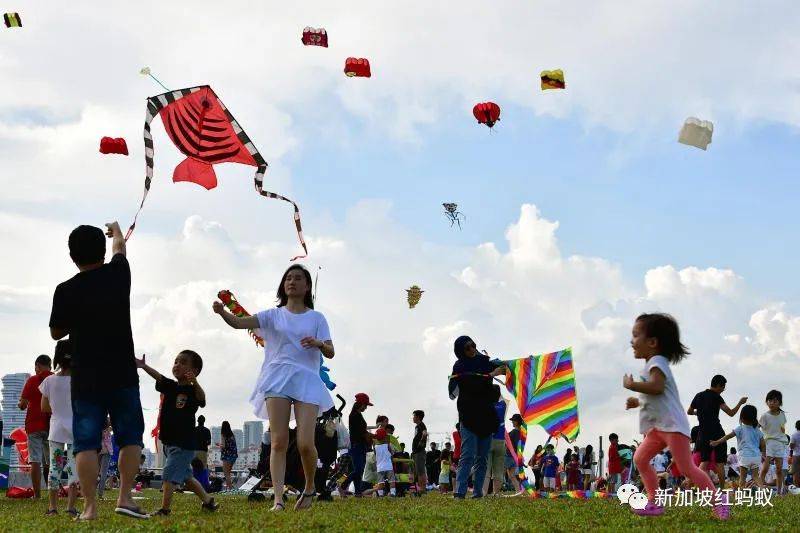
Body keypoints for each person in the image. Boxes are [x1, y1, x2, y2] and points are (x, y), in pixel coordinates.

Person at [213, 264, 334, 511]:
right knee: (278, 441)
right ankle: (278, 499)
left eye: (298, 278)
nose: (292, 282)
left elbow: (330, 351)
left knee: (305, 443)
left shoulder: (317, 318)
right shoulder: (272, 315)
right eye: (288, 278)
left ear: (307, 286)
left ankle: (310, 487)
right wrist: (222, 312)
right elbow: (239, 323)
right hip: (276, 378)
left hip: (307, 380)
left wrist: (319, 343)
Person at [49, 222, 146, 520]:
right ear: (102, 252)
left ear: (71, 256)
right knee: (130, 438)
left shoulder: (65, 290)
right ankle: (125, 497)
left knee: (86, 442)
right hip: (122, 371)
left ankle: (89, 507)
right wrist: (116, 230)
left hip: (86, 376)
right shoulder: (118, 274)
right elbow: (120, 247)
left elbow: (56, 332)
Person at [623, 313, 728, 519]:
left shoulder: (657, 362)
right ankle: (654, 502)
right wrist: (638, 401)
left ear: (652, 342)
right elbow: (655, 396)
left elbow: (657, 387)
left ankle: (718, 500)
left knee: (687, 467)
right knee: (640, 458)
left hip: (673, 427)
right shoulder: (651, 364)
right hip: (658, 428)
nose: (631, 341)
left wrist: (631, 385)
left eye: (636, 336)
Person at [136, 350, 218, 516]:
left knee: (168, 473)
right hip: (170, 442)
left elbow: (202, 399)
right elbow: (158, 377)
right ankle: (208, 501)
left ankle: (165, 509)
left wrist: (195, 382)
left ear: (194, 371)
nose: (177, 365)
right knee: (187, 476)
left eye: (182, 362)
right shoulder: (171, 387)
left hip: (183, 443)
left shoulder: (192, 391)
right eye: (175, 362)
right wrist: (144, 367)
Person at [447, 336, 505, 499]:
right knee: (467, 455)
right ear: (460, 351)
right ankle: (460, 492)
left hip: (486, 416)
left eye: (473, 345)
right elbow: (471, 385)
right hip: (469, 416)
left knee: (483, 458)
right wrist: (493, 374)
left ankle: (479, 492)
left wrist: (519, 364)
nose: (472, 349)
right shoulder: (460, 366)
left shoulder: (484, 361)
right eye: (467, 348)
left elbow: (505, 366)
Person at [687, 375, 747, 487]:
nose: (723, 390)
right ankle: (722, 489)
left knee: (704, 462)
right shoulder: (717, 397)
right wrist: (740, 402)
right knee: (720, 463)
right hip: (717, 433)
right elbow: (731, 413)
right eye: (723, 388)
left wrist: (699, 412)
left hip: (703, 433)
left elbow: (689, 411)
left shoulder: (698, 396)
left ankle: (690, 485)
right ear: (719, 385)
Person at [39, 341, 77, 516]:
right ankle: (71, 507)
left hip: (56, 430)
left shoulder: (48, 381)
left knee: (55, 467)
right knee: (73, 468)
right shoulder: (79, 380)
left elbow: (44, 408)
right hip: (76, 429)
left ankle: (53, 507)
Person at [18, 354, 52, 500]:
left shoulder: (32, 380)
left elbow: (23, 405)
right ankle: (54, 493)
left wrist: (21, 403)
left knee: (35, 460)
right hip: (52, 425)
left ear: (37, 366)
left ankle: (37, 495)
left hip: (34, 426)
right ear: (50, 365)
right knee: (52, 460)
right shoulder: (56, 379)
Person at [709, 404, 764, 490]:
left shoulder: (740, 428)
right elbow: (763, 444)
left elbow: (728, 436)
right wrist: (763, 453)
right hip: (756, 457)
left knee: (742, 478)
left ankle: (741, 496)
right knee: (756, 476)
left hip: (745, 456)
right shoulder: (757, 430)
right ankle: (763, 490)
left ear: (742, 417)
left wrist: (717, 442)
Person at [342, 393, 373, 498]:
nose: (366, 407)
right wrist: (373, 436)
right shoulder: (355, 415)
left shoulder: (357, 414)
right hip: (357, 445)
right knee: (357, 469)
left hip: (359, 445)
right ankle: (343, 485)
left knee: (358, 470)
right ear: (361, 404)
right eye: (365, 405)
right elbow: (361, 433)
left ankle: (358, 492)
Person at [758, 390, 787, 494]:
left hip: (779, 443)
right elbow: (757, 428)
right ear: (767, 402)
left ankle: (779, 492)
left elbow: (782, 428)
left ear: (780, 403)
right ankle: (760, 490)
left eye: (774, 401)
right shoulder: (764, 416)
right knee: (765, 468)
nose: (771, 403)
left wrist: (782, 434)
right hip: (768, 443)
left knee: (779, 470)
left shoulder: (782, 415)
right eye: (769, 401)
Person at [483, 390, 507, 496]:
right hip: (500, 440)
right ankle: (496, 493)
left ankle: (483, 492)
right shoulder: (503, 405)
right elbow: (501, 397)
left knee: (486, 469)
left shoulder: (486, 405)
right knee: (498, 469)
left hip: (488, 440)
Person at [505, 414, 524, 494]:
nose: (512, 422)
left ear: (516, 422)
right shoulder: (521, 432)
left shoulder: (515, 432)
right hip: (514, 457)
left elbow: (516, 444)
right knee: (511, 475)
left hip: (509, 456)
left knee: (499, 473)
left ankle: (496, 491)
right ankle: (518, 491)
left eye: (513, 420)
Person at [411, 410, 429, 494]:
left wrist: (421, 443)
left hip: (419, 452)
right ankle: (421, 488)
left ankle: (422, 489)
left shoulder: (421, 425)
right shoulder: (417, 426)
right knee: (418, 471)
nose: (413, 418)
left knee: (421, 471)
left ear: (418, 417)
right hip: (416, 452)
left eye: (414, 416)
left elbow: (425, 433)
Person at [219, 422, 238, 491]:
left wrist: (219, 445)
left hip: (227, 456)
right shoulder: (232, 434)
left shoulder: (223, 434)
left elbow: (223, 446)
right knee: (228, 473)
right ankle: (229, 487)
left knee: (226, 473)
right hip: (233, 456)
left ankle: (230, 488)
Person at [97, 419, 113, 498]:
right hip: (106, 451)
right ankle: (100, 493)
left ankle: (92, 491)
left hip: (98, 450)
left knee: (95, 472)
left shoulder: (97, 429)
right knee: (103, 473)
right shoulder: (108, 430)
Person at [790, 420, 800, 486]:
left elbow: (791, 446)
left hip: (796, 455)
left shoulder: (794, 434)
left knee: (795, 472)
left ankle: (796, 487)